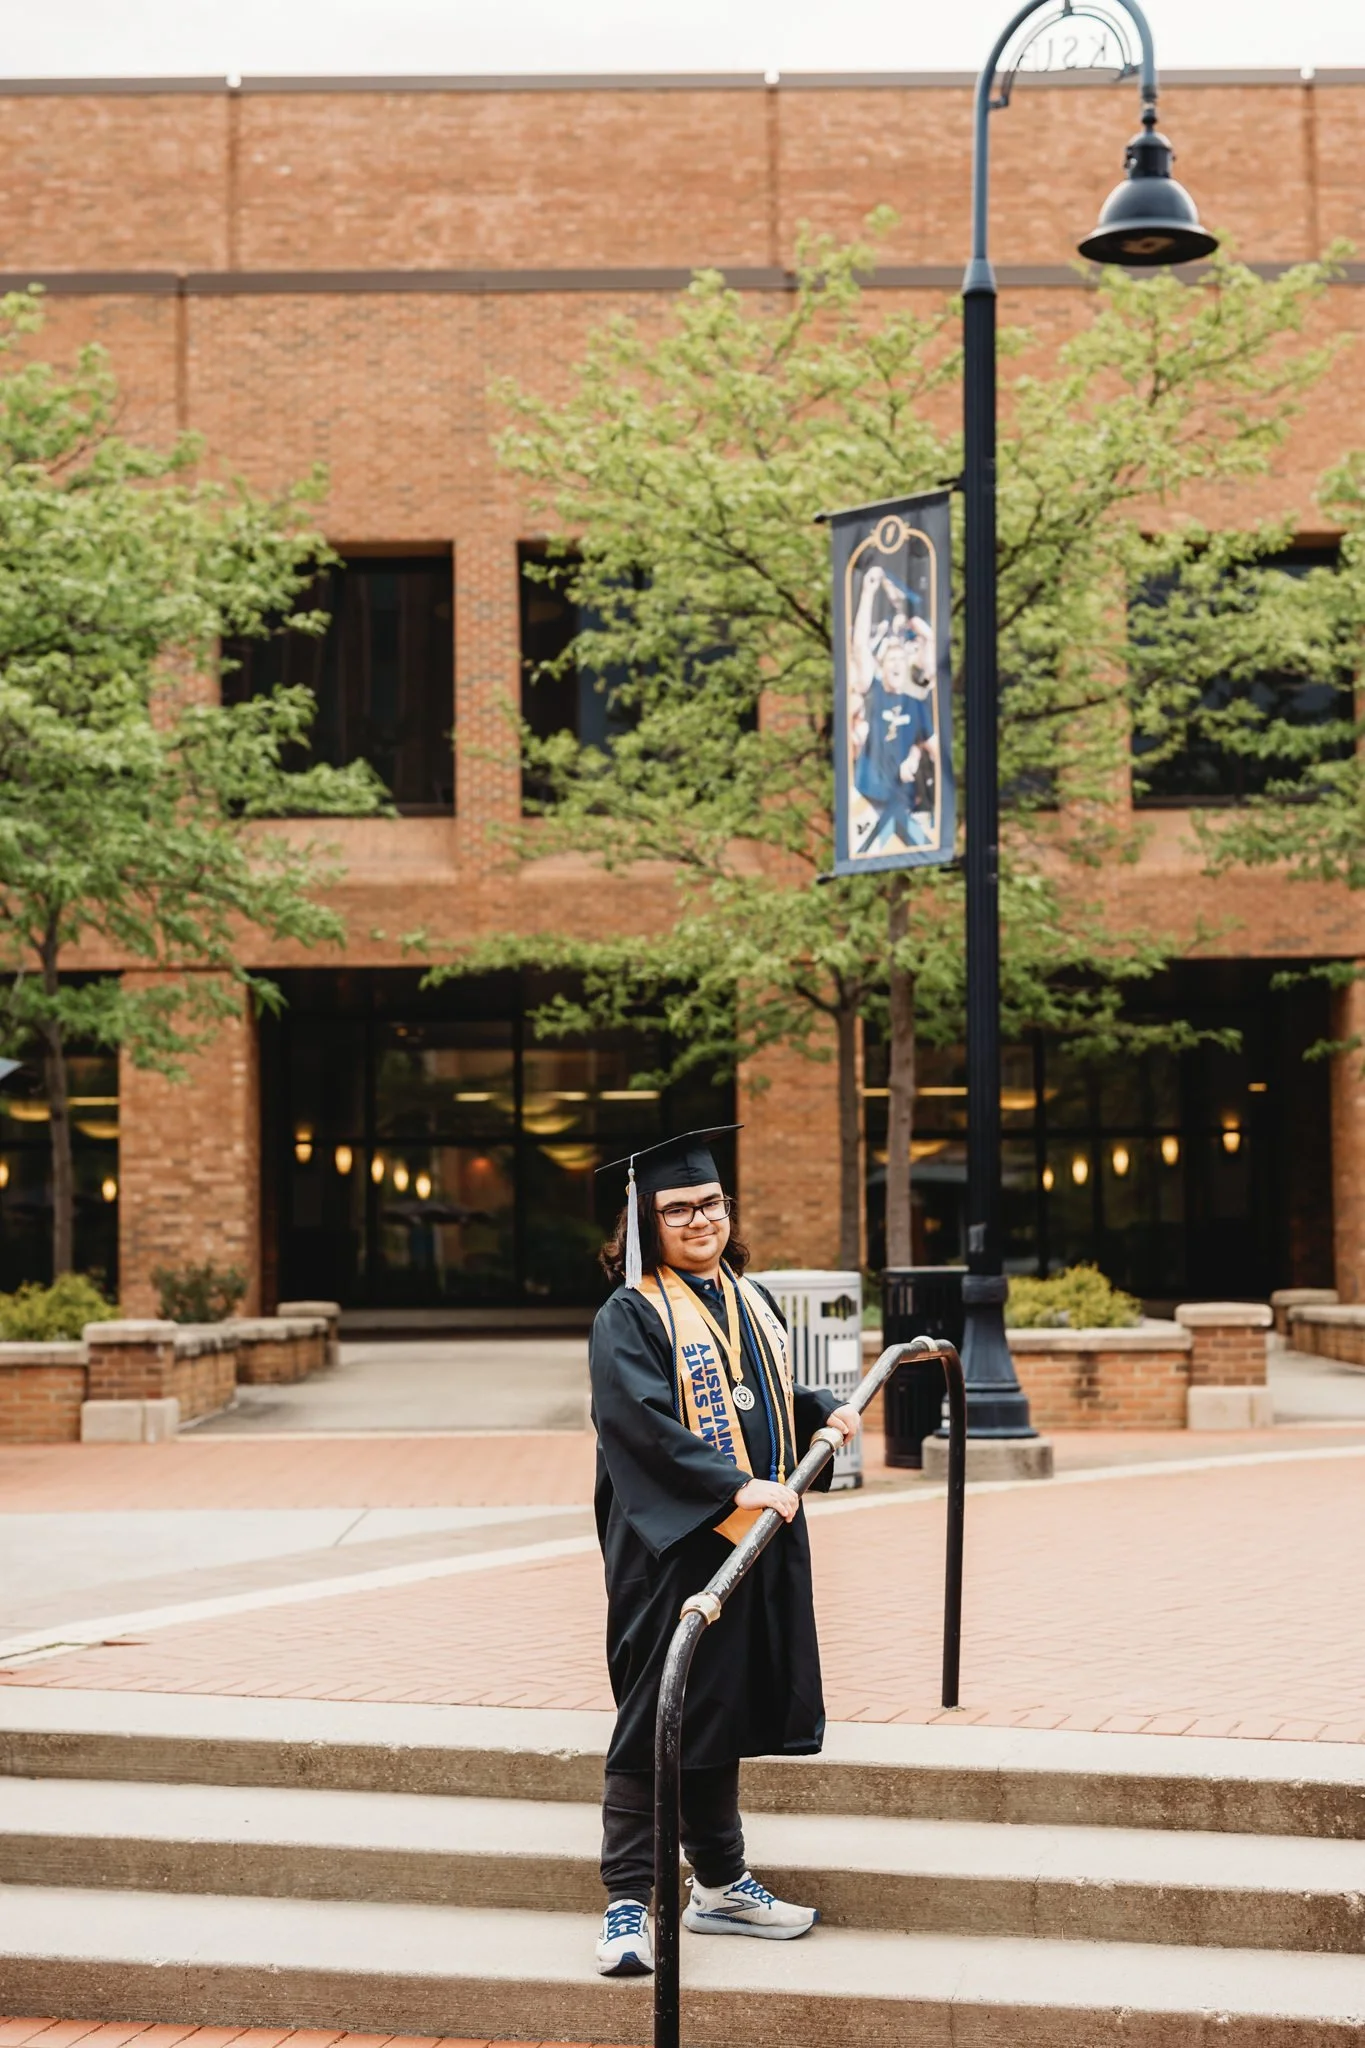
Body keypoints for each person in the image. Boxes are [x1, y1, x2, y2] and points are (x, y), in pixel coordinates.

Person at [587, 1126, 860, 1977]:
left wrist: (821, 1405)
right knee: (656, 1714)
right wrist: (730, 1486)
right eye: (677, 1209)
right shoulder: (629, 1313)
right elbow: (638, 1423)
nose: (698, 1218)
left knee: (714, 1710)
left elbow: (759, 1392)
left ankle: (720, 1882)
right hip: (670, 1546)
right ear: (645, 1223)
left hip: (752, 1535)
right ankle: (629, 1901)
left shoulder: (750, 1297)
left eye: (709, 1203)